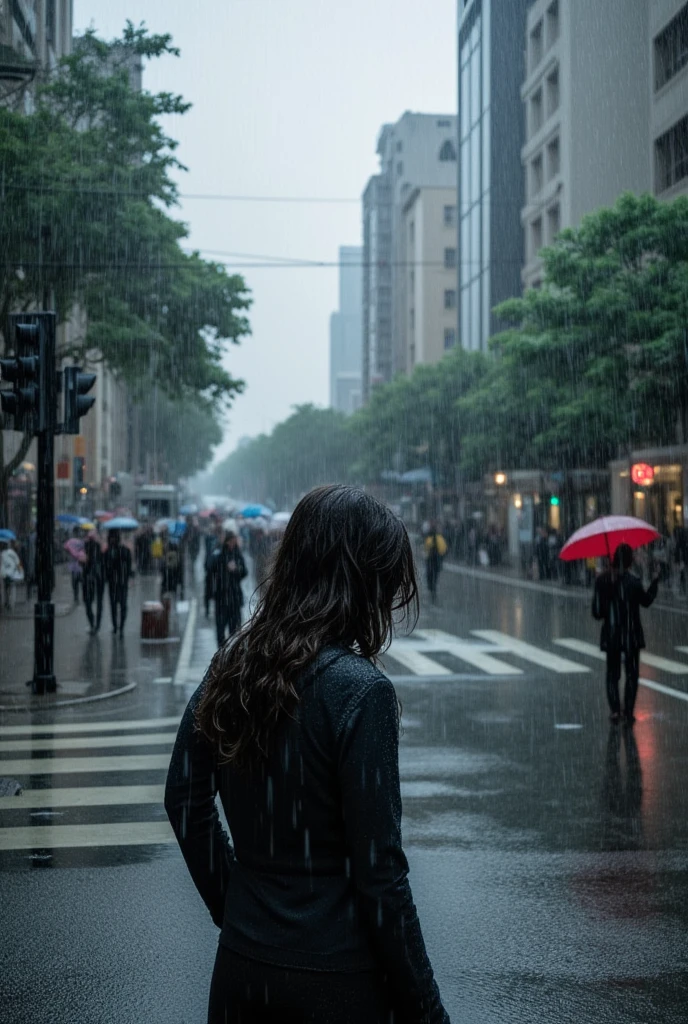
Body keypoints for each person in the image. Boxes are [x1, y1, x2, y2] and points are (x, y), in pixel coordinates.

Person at [164, 485, 450, 1024]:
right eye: (386, 580)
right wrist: (428, 1011)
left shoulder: (235, 661)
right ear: (362, 582)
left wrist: (237, 906)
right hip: (336, 980)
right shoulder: (361, 691)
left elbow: (183, 796)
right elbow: (380, 874)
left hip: (243, 972)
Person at [592, 542, 659, 724]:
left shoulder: (602, 581)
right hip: (631, 635)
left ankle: (615, 711)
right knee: (632, 674)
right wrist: (654, 582)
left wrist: (608, 605)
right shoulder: (633, 582)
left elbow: (597, 613)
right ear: (629, 562)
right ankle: (628, 711)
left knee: (612, 674)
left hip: (612, 634)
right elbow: (646, 601)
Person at [210, 530, 248, 647]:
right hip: (221, 598)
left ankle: (232, 653)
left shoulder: (237, 555)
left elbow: (244, 572)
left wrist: (236, 569)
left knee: (235, 630)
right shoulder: (219, 555)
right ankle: (221, 651)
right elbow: (210, 568)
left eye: (234, 542)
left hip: (234, 597)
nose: (232, 544)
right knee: (220, 629)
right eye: (230, 542)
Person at [103, 530, 133, 636]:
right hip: (113, 583)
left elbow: (129, 565)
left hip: (121, 582)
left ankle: (121, 627)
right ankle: (116, 626)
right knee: (114, 606)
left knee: (122, 605)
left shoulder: (124, 551)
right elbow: (105, 567)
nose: (112, 540)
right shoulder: (107, 552)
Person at [83, 531, 105, 634]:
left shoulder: (85, 547)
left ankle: (93, 624)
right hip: (98, 577)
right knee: (98, 602)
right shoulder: (100, 547)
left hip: (89, 578)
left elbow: (83, 563)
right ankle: (96, 625)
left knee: (88, 602)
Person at [424, 521, 447, 605]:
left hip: (430, 561)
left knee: (429, 575)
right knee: (435, 576)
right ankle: (433, 589)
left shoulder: (429, 539)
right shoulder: (440, 538)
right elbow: (443, 550)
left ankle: (431, 588)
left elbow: (426, 550)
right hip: (436, 562)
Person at [1, 540, 23, 611]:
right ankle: (11, 604)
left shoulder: (1, 554)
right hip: (12, 574)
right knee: (12, 589)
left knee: (5, 589)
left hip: (4, 574)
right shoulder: (13, 553)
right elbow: (18, 563)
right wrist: (20, 572)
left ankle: (5, 602)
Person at [68, 526, 84, 603]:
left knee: (75, 583)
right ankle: (82, 597)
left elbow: (65, 548)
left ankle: (76, 597)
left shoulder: (70, 541)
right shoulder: (82, 541)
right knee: (82, 582)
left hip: (74, 566)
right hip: (80, 565)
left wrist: (71, 553)